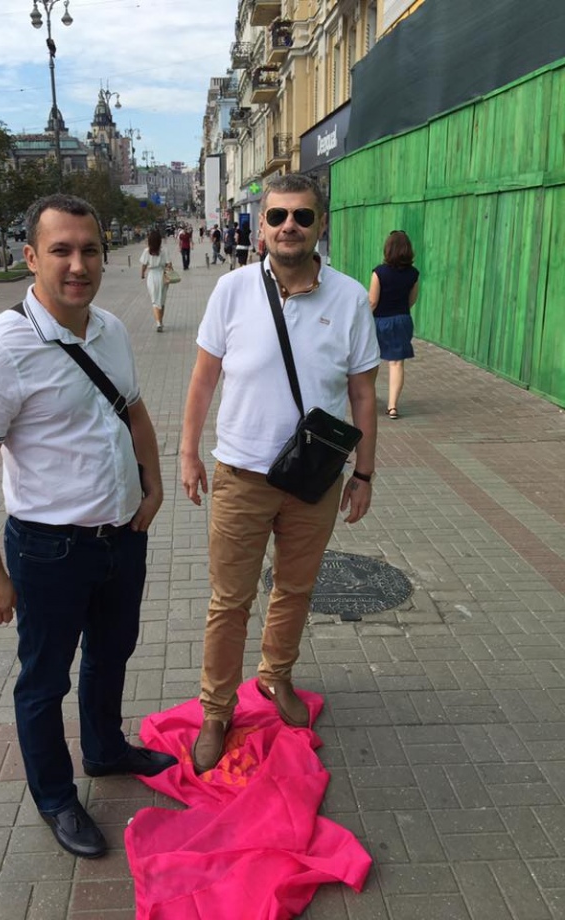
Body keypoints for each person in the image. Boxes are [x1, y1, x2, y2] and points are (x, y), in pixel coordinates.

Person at [0, 194, 176, 860]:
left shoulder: (110, 328)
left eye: (90, 250)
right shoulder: (1, 349)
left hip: (121, 538)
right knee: (44, 681)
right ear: (31, 257)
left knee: (112, 653)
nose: (79, 264)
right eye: (61, 250)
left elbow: (133, 410)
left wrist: (153, 482)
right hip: (48, 550)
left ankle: (105, 750)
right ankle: (54, 797)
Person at [180, 173, 380, 774]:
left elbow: (363, 394)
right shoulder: (232, 290)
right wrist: (188, 453)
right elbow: (203, 379)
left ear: (321, 224)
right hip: (241, 475)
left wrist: (364, 474)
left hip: (314, 478)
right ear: (261, 226)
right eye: (277, 216)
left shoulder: (349, 298)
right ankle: (217, 709)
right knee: (230, 601)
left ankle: (275, 677)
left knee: (294, 589)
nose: (289, 225)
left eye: (302, 215)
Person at [368, 230, 419, 419]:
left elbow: (372, 302)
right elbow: (411, 300)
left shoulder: (379, 272)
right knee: (396, 364)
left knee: (371, 361)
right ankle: (392, 406)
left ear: (388, 249)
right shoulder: (414, 274)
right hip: (401, 320)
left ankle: (368, 399)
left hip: (378, 321)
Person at [140, 228, 172, 332]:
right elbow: (169, 264)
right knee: (162, 300)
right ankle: (161, 321)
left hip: (152, 276)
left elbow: (144, 265)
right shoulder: (164, 250)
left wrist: (142, 274)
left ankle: (158, 323)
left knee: (154, 300)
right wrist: (171, 272)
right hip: (162, 275)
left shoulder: (146, 251)